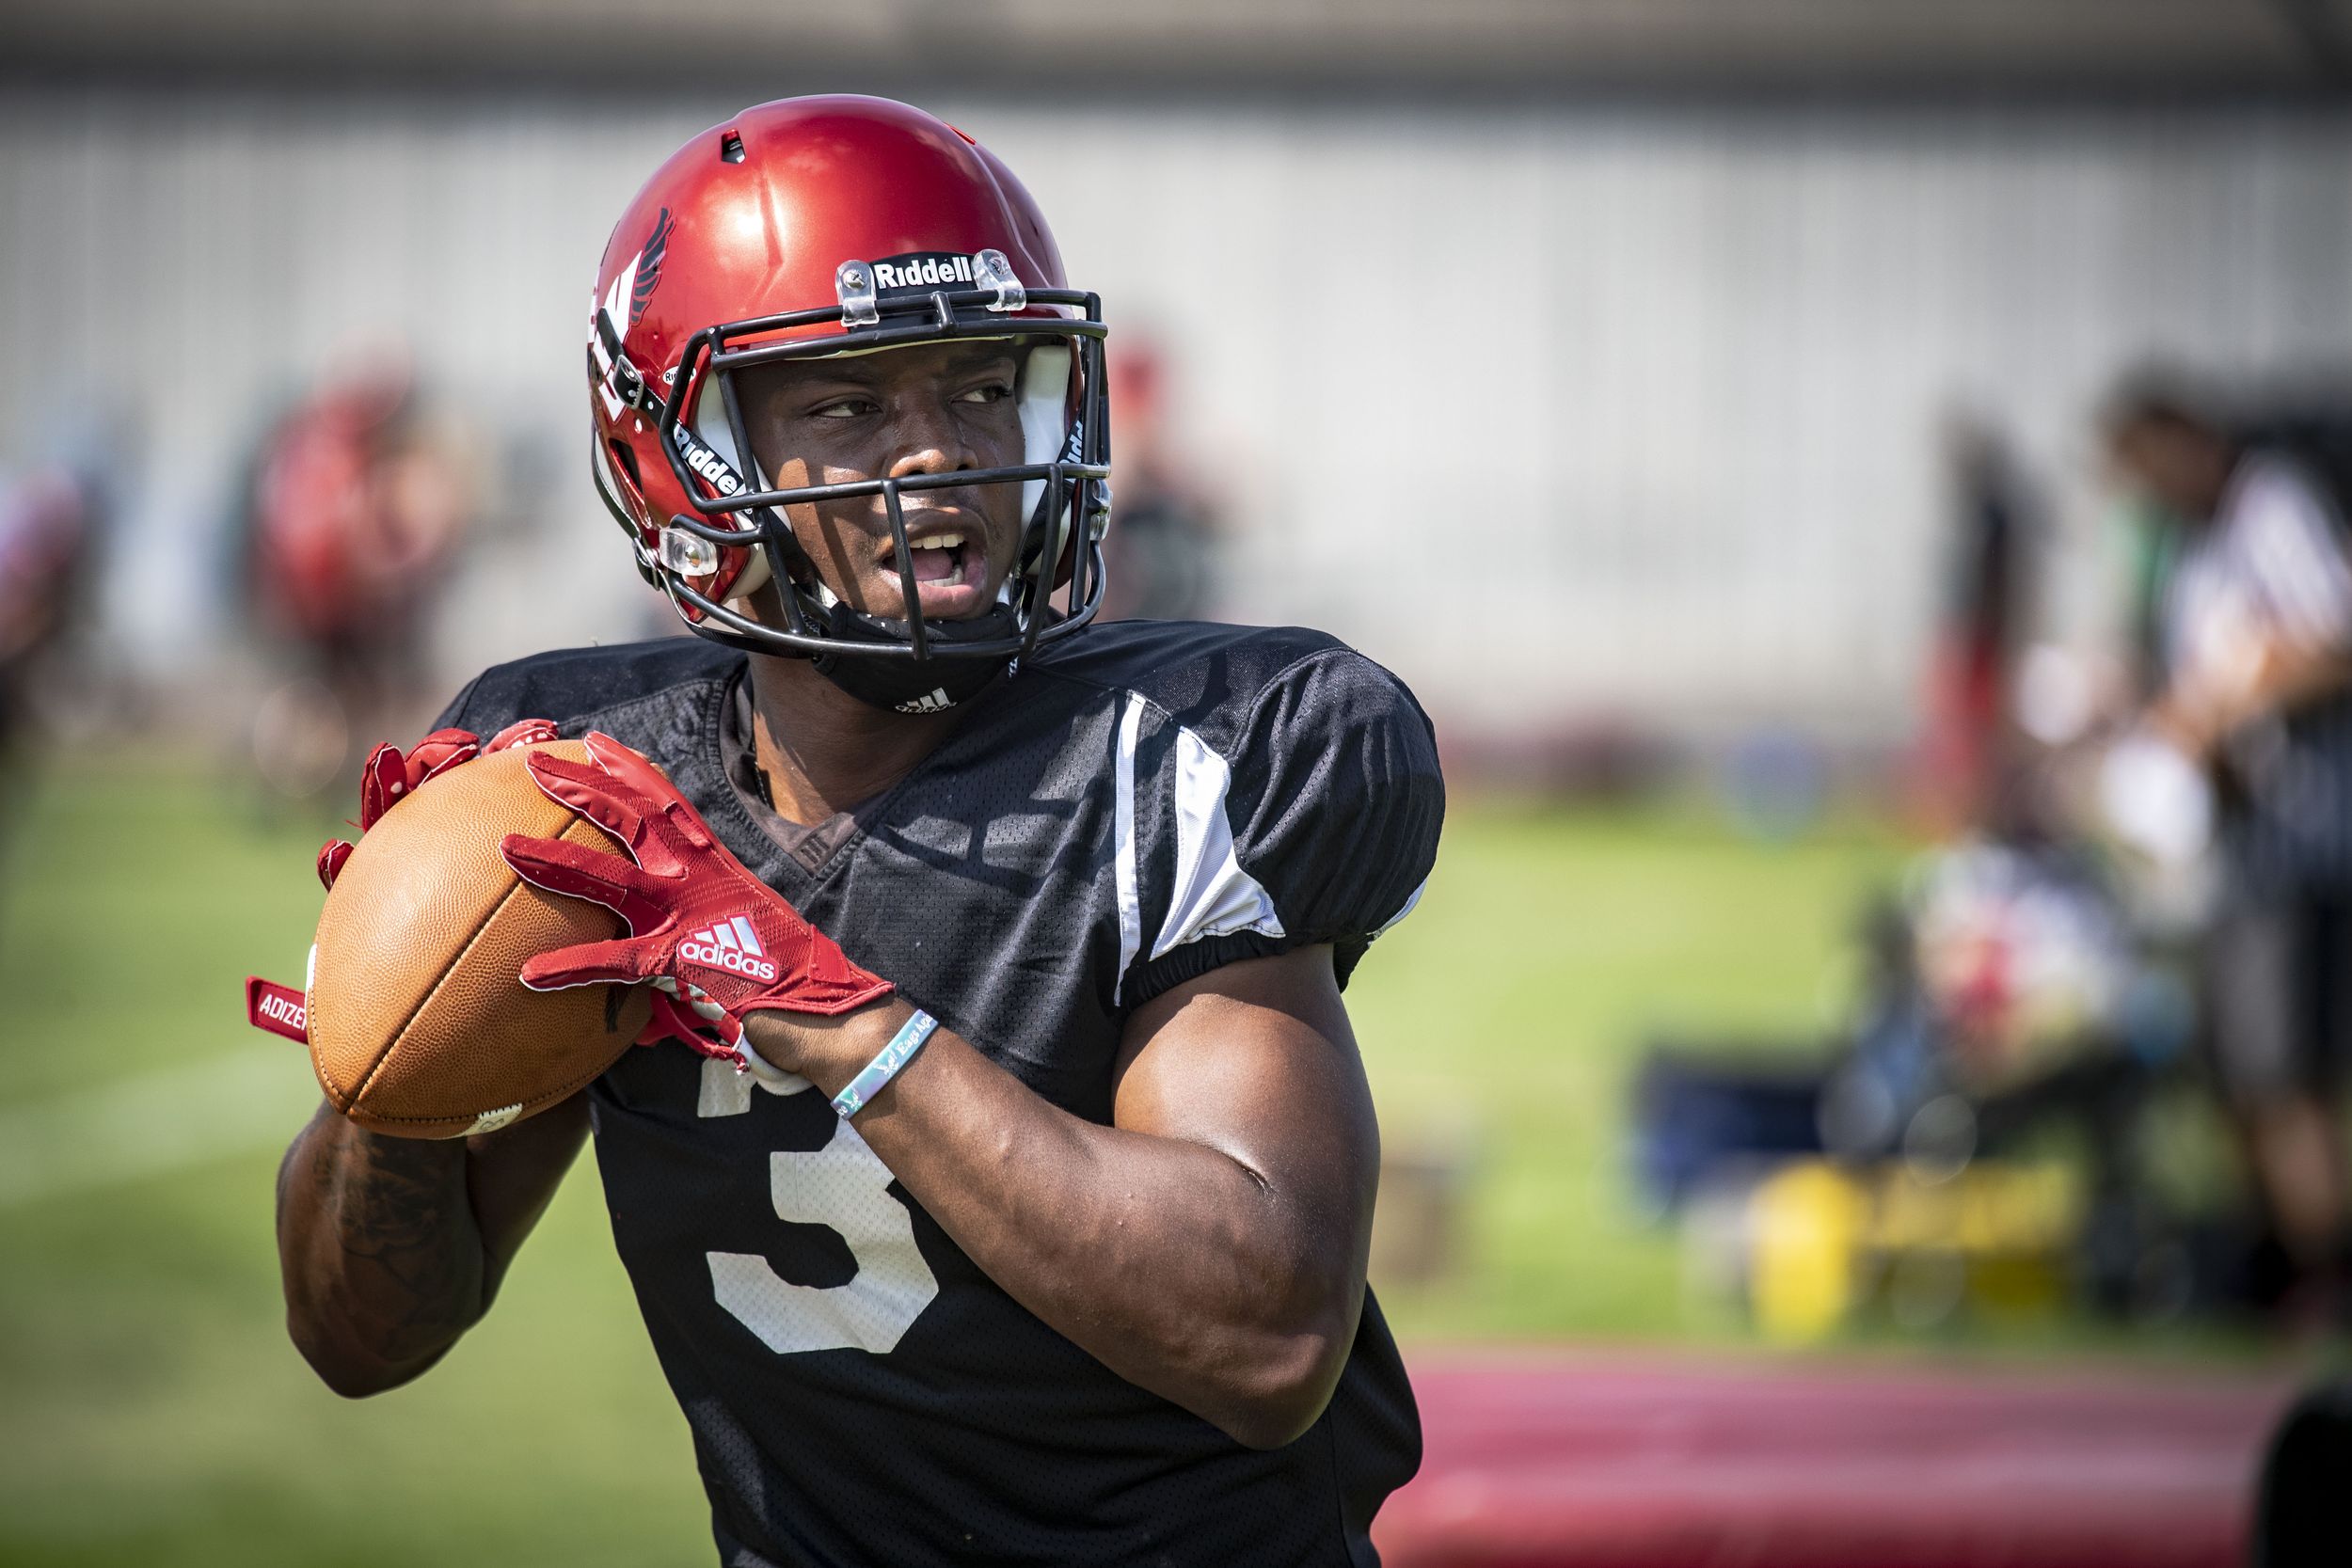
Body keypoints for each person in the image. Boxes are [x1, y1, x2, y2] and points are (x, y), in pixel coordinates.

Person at [273, 95, 1442, 1566]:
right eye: (850, 405)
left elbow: (1268, 1337)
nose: (940, 459)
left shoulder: (1184, 752)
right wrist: (384, 1069)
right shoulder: (587, 786)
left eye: (974, 388)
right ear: (676, 452)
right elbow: (362, 1338)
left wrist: (832, 1014)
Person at [2105, 377, 2352, 1315]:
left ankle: (2327, 1278)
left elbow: (2332, 636)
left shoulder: (2274, 506)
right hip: (2234, 853)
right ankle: (2276, 1265)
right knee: (2235, 1071)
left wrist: (2224, 707)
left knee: (2290, 1075)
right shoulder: (2199, 543)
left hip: (2303, 846)